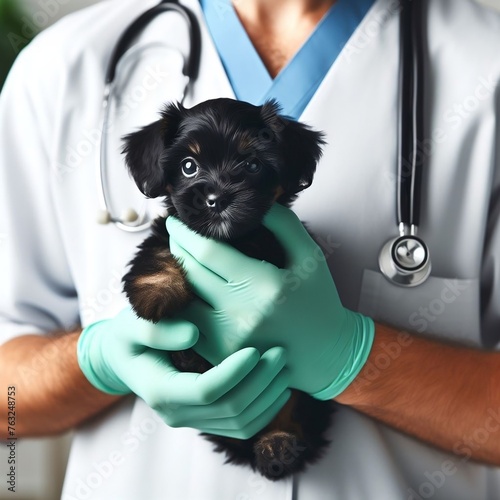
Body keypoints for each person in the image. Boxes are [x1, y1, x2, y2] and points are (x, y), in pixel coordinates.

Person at [1, 0, 500, 498]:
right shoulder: (63, 68)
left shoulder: (486, 61)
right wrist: (98, 361)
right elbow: (7, 404)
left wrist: (359, 360)